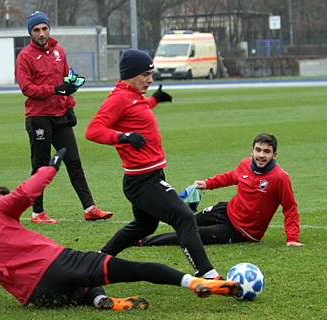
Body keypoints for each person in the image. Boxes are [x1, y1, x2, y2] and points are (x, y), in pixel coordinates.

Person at [0, 148, 241, 311]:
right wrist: (50, 167)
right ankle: (196, 283)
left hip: (38, 296)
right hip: (57, 263)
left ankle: (97, 301)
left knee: (82, 287)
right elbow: (25, 193)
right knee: (137, 269)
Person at [85, 49, 226, 280]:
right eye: (145, 75)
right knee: (184, 217)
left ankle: (98, 260)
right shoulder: (119, 97)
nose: (150, 79)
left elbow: (136, 112)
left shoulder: (133, 94)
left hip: (151, 175)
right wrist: (122, 137)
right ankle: (207, 274)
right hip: (142, 180)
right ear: (130, 75)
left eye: (151, 74)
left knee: (145, 226)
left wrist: (153, 101)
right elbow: (93, 131)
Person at [14, 11, 111, 224]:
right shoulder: (24, 56)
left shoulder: (59, 51)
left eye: (44, 28)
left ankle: (89, 208)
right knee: (40, 167)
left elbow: (68, 83)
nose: (41, 33)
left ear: (49, 28)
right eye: (36, 30)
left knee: (74, 162)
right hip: (38, 117)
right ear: (30, 32)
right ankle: (37, 213)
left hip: (60, 116)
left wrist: (70, 107)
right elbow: (27, 88)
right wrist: (55, 90)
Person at [136, 133, 305, 247]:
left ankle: (143, 241)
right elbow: (230, 177)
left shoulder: (280, 178)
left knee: (191, 235)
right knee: (186, 221)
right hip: (227, 210)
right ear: (252, 151)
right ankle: (146, 233)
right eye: (258, 150)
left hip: (243, 230)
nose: (261, 155)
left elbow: (290, 208)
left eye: (267, 152)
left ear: (274, 155)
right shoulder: (246, 163)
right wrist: (207, 183)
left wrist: (292, 239)